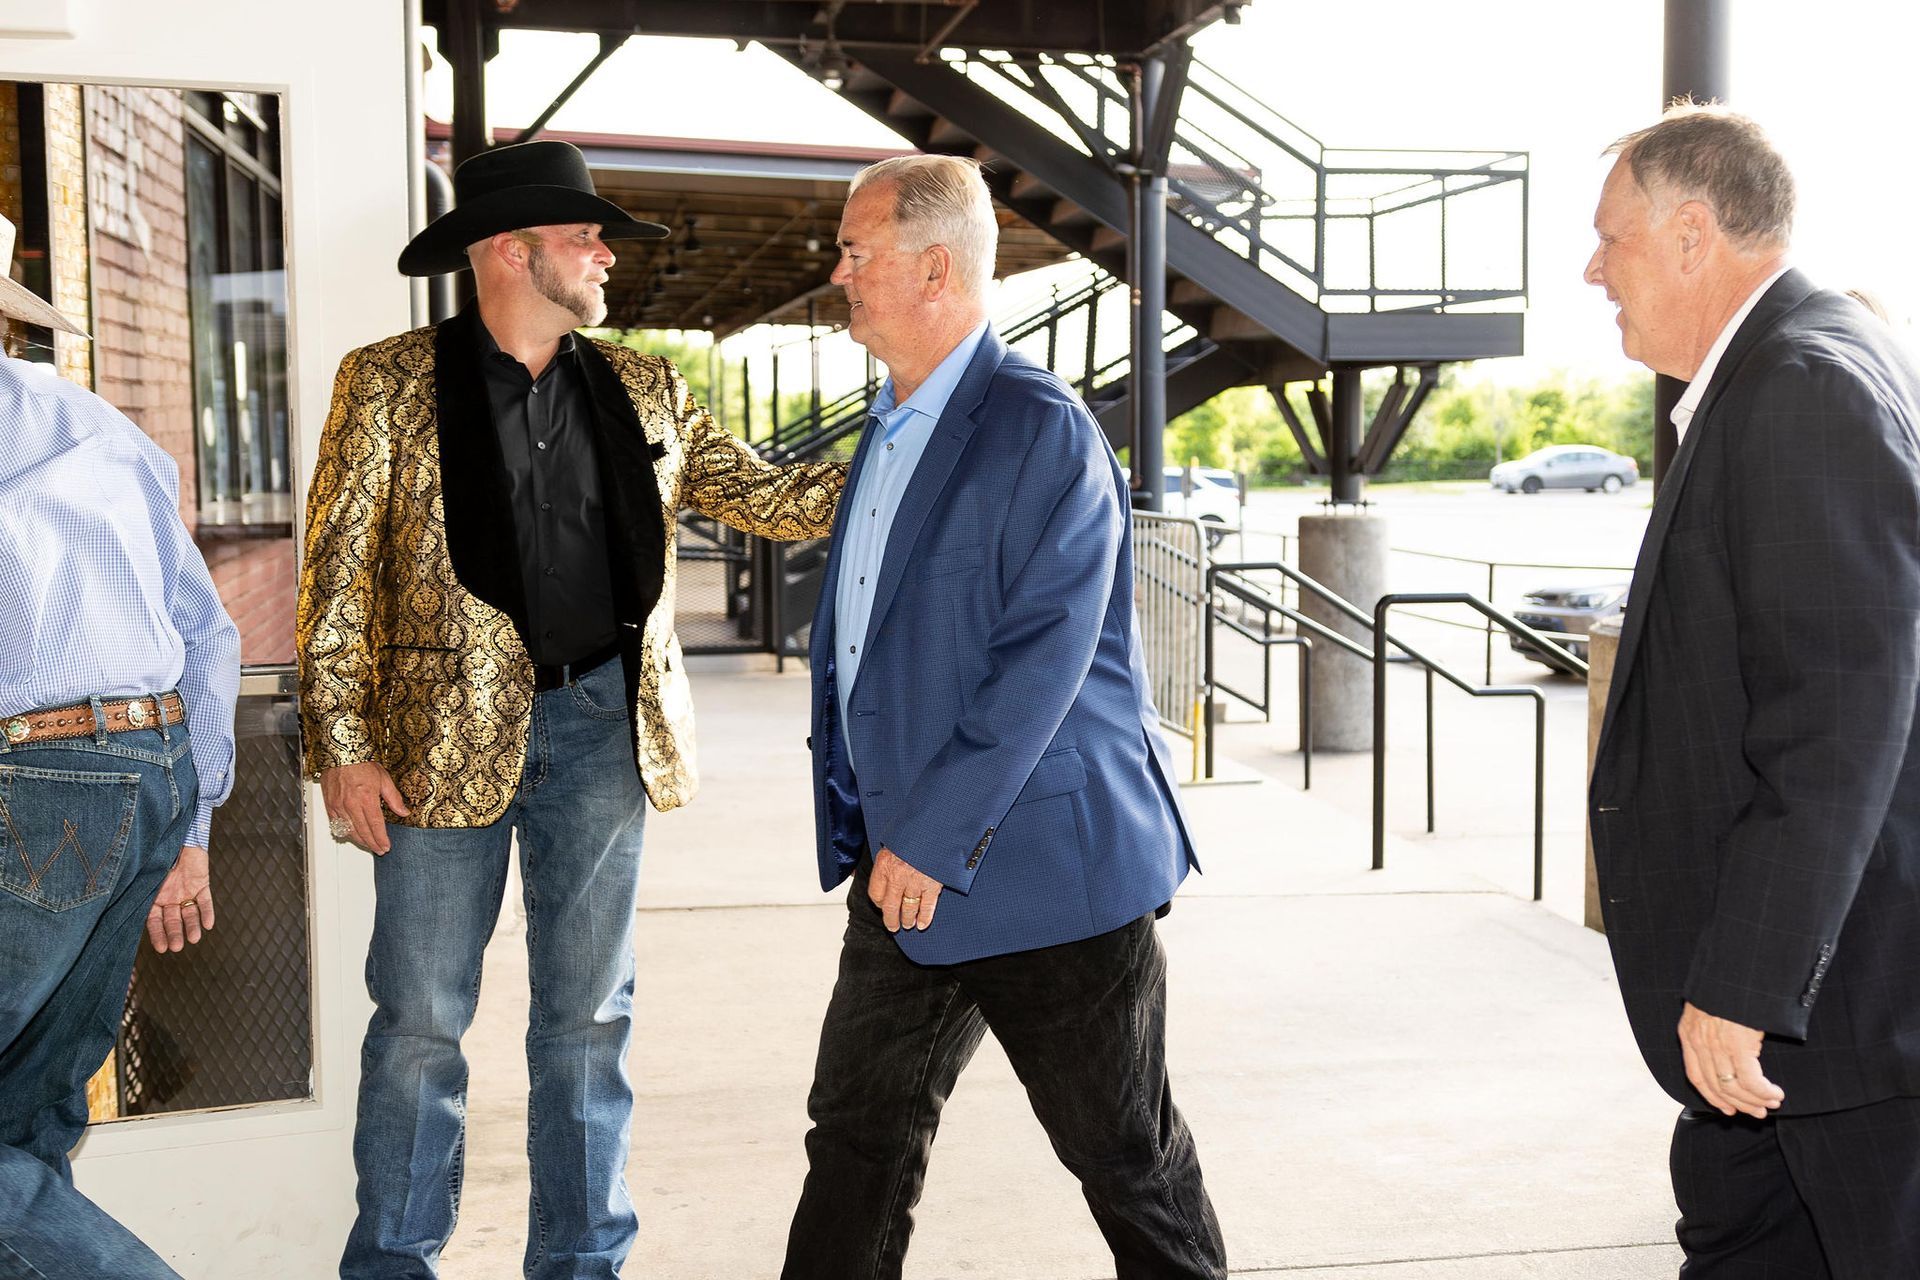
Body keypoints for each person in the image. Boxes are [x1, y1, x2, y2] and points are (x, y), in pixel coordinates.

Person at [297, 140, 843, 1279]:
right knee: (417, 1026)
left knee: (588, 1023)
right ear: (511, 249)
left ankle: (581, 1262)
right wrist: (342, 747)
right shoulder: (385, 382)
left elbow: (775, 496)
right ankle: (391, 1263)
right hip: (433, 751)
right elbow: (336, 577)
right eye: (586, 234)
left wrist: (918, 425)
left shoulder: (644, 386)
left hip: (603, 730)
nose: (606, 253)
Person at [782, 154, 1226, 1280]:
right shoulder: (880, 433)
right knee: (858, 1142)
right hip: (904, 869)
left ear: (934, 267)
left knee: (1126, 1155)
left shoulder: (1040, 429)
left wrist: (932, 837)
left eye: (855, 250)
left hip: (1045, 870)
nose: (836, 270)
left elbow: (1046, 656)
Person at [1586, 105, 1920, 1274]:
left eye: (1610, 239)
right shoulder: (1786, 369)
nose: (1593, 269)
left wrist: (1747, 987)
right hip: (1789, 1044)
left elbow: (1836, 721)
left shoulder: (1803, 387)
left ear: (1690, 236)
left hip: (1831, 1035)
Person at [0, 212, 240, 1278]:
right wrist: (187, 827)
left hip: (31, 783)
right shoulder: (100, 425)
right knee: (26, 1125)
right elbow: (205, 632)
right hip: (146, 770)